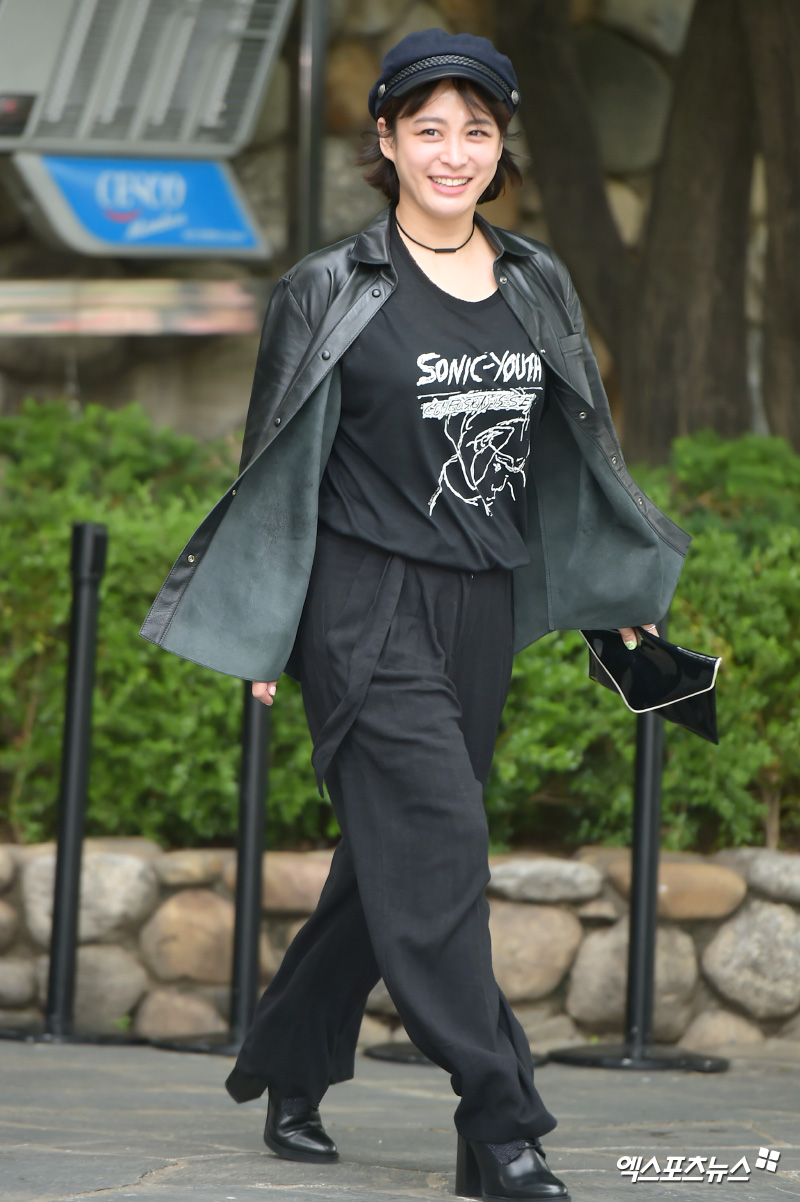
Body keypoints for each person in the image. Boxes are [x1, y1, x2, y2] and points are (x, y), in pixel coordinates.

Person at [141, 29, 690, 1202]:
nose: (453, 152)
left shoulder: (535, 280)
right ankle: (500, 1122)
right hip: (362, 601)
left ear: (499, 145)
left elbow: (571, 459)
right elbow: (274, 466)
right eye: (427, 128)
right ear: (384, 139)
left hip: (477, 603)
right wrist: (264, 622)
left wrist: (612, 602)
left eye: (475, 130)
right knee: (439, 845)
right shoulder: (328, 286)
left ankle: (291, 1060)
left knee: (388, 863)